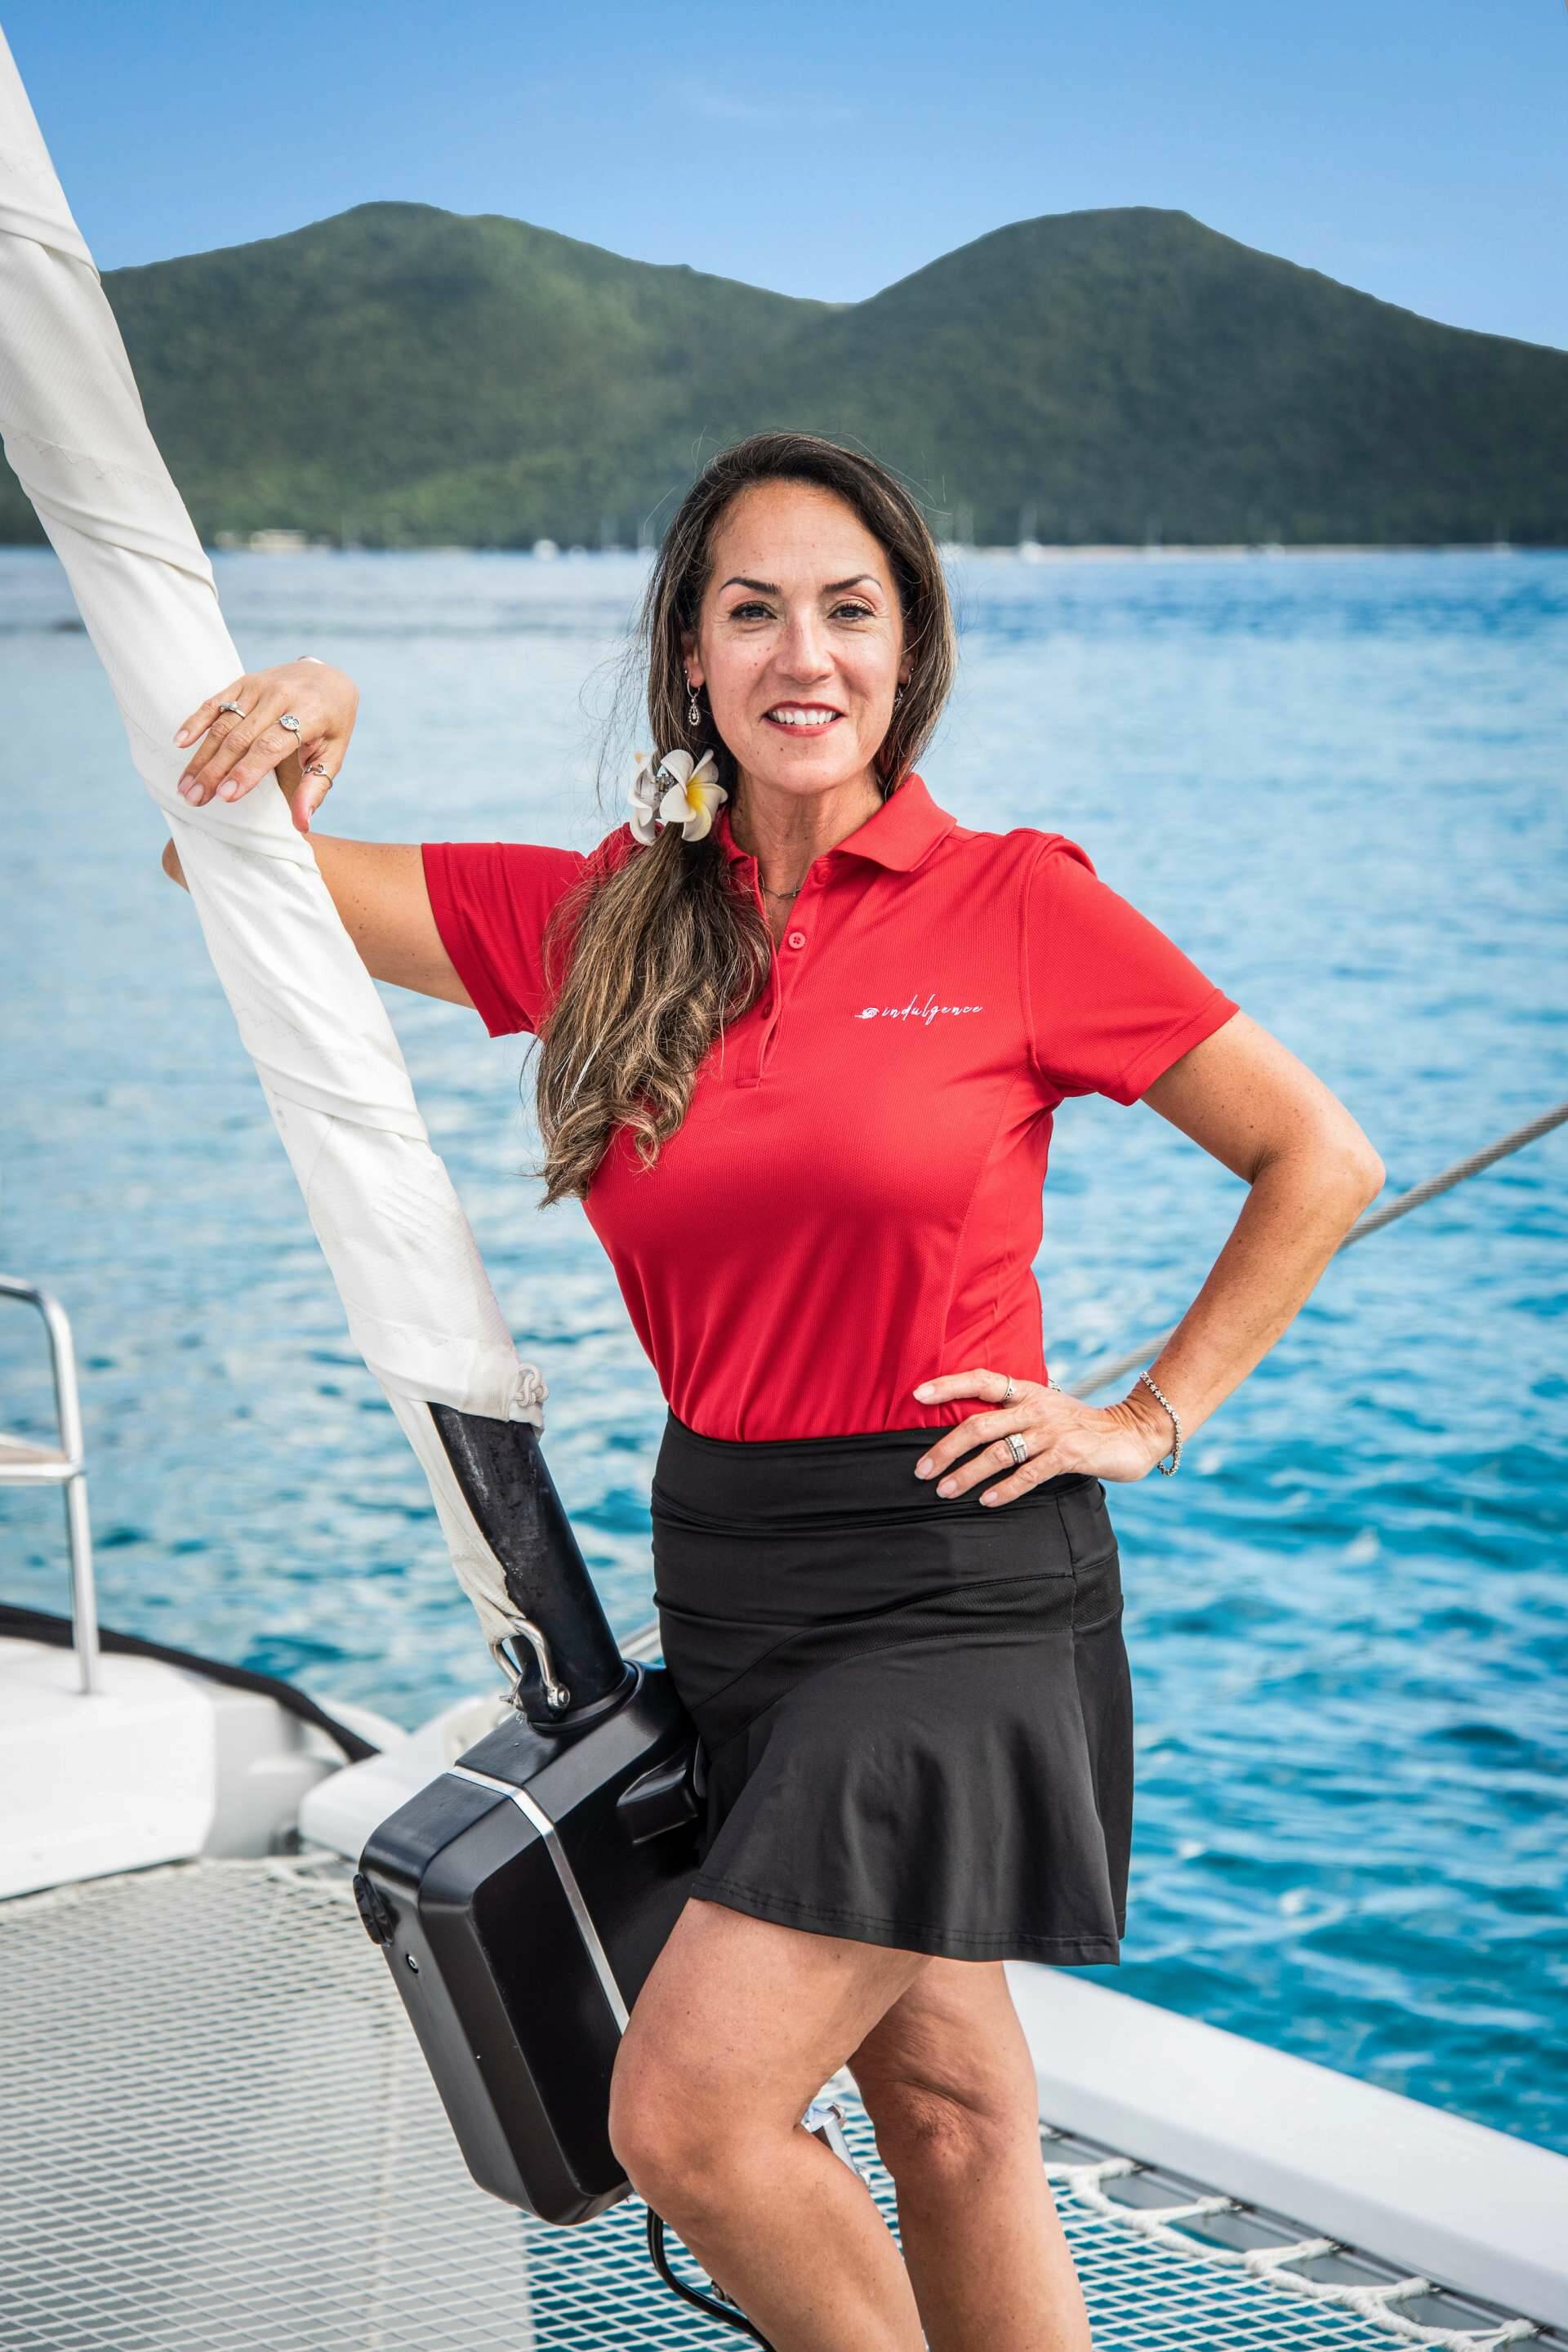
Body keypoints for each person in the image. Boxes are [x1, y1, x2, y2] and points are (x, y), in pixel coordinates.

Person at [162, 430, 1384, 2352]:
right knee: (951, 2115)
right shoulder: (604, 924)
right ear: (691, 657)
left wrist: (1148, 1417)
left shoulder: (1016, 904)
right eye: (754, 612)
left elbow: (1317, 1156)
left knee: (691, 2118)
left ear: (908, 652)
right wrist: (321, 712)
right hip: (733, 1580)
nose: (803, 654)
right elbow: (232, 877)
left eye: (848, 610)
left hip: (959, 1581)